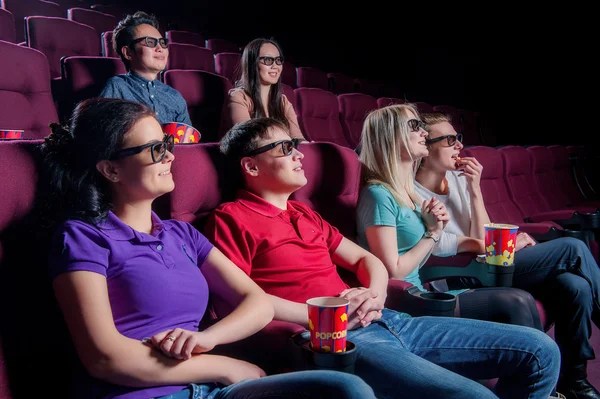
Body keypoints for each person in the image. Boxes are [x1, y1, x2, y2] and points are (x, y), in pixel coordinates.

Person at [42, 97, 376, 399]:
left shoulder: (181, 234)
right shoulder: (83, 237)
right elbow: (105, 358)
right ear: (111, 169)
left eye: (168, 143)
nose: (170, 155)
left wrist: (208, 339)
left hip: (210, 389)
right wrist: (222, 366)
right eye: (155, 149)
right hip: (144, 393)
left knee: (344, 388)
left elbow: (257, 302)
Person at [205, 117, 562, 399]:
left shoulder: (304, 213)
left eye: (296, 144)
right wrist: (330, 316)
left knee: (542, 352)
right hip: (335, 339)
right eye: (285, 147)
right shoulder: (231, 218)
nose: (300, 154)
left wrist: (374, 294)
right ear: (251, 167)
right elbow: (241, 298)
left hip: (388, 318)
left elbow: (368, 262)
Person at [413, 111, 600, 399]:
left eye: (458, 138)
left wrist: (474, 189)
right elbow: (465, 244)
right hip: (459, 275)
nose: (459, 146)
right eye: (449, 140)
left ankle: (574, 381)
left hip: (489, 263)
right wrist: (507, 243)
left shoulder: (460, 180)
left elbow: (485, 234)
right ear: (425, 150)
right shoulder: (414, 192)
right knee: (573, 248)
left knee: (576, 286)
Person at [356, 103, 543, 330]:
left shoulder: (408, 193)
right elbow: (393, 271)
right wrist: (433, 232)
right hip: (406, 301)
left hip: (421, 291)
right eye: (415, 126)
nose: (423, 132)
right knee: (515, 302)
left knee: (521, 297)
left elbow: (424, 250)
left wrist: (436, 225)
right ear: (392, 136)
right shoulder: (378, 195)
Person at [100, 11, 193, 126]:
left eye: (163, 43)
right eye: (150, 42)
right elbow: (103, 132)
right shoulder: (117, 86)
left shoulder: (175, 96)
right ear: (128, 52)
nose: (160, 48)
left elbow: (188, 140)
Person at [227, 38, 304, 139]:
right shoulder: (238, 97)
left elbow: (297, 139)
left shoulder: (283, 101)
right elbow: (248, 140)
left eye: (278, 60)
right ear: (252, 63)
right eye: (268, 60)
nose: (276, 66)